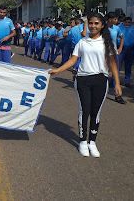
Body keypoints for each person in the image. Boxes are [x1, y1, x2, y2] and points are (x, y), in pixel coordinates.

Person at [49, 13, 122, 158]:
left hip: (101, 80)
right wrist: (58, 70)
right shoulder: (83, 42)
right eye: (91, 23)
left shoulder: (108, 42)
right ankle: (83, 141)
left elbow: (113, 64)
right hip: (83, 80)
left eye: (96, 23)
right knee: (85, 111)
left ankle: (92, 142)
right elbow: (73, 59)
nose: (93, 26)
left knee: (96, 113)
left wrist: (117, 84)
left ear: (102, 25)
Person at [107, 12, 125, 104]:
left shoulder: (117, 28)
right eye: (115, 19)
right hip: (103, 53)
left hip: (113, 53)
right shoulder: (102, 28)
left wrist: (120, 48)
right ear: (110, 19)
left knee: (115, 73)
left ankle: (117, 95)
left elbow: (122, 38)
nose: (116, 21)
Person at [118, 17, 134, 88]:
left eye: (129, 22)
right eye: (126, 22)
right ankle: (115, 80)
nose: (127, 24)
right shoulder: (119, 27)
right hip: (121, 49)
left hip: (130, 49)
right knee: (118, 65)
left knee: (128, 66)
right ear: (124, 22)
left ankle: (127, 81)